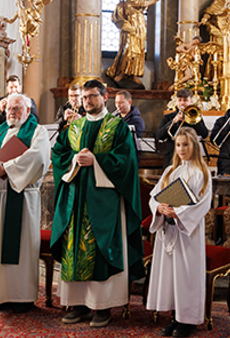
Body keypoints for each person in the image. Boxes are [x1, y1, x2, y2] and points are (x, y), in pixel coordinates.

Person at [51, 79, 145, 328]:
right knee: (74, 249)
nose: (87, 101)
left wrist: (97, 161)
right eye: (84, 97)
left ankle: (103, 307)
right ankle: (79, 305)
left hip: (105, 202)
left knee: (102, 250)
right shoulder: (74, 127)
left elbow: (126, 161)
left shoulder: (117, 127)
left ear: (105, 97)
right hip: (76, 198)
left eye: (92, 96)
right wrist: (74, 159)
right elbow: (58, 154)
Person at [0, 94, 51, 313]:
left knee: (24, 247)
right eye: (9, 109)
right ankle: (1, 296)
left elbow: (38, 157)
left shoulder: (38, 131)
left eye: (17, 109)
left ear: (28, 111)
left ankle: (24, 298)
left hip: (23, 196)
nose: (12, 113)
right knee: (0, 248)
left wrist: (6, 168)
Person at [146, 128, 212, 338]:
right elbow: (154, 197)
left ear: (195, 146)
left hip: (187, 233)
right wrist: (159, 208)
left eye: (186, 144)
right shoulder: (170, 172)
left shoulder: (202, 173)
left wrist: (178, 212)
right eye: (178, 145)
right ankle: (175, 316)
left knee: (186, 276)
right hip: (168, 232)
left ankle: (188, 321)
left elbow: (202, 204)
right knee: (171, 276)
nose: (182, 149)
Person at [106, 0, 162, 88]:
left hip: (140, 25)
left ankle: (134, 75)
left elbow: (145, 6)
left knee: (140, 50)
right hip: (131, 25)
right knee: (130, 49)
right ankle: (121, 74)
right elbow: (145, 3)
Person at [156, 89, 209, 168]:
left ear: (190, 101)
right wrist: (174, 122)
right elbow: (159, 135)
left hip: (190, 156)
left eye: (185, 100)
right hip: (171, 156)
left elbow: (204, 134)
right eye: (179, 100)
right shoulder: (168, 117)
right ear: (176, 102)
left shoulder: (195, 116)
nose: (182, 103)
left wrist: (192, 120)